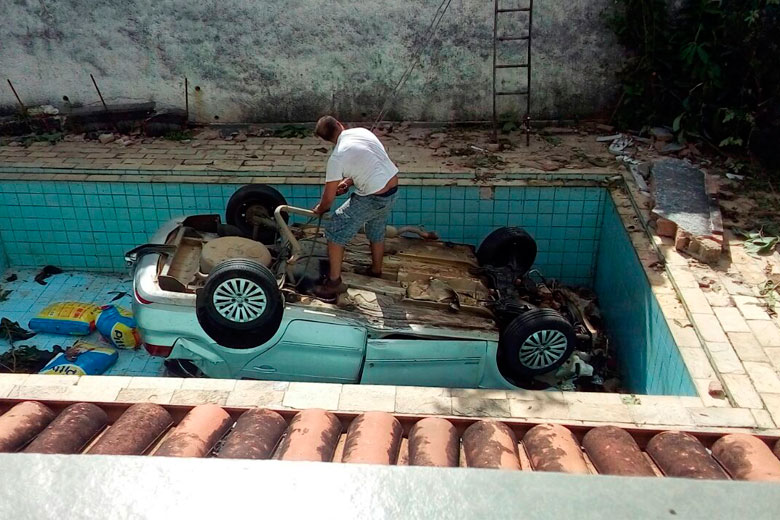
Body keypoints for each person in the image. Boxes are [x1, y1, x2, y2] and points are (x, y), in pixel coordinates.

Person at [311, 115, 399, 301]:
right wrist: (349, 182)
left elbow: (327, 199)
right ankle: (376, 271)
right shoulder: (362, 132)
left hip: (373, 197)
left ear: (326, 140)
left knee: (335, 230)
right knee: (376, 227)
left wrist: (320, 209)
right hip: (393, 188)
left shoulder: (337, 157)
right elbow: (373, 162)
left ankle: (334, 283)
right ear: (339, 124)